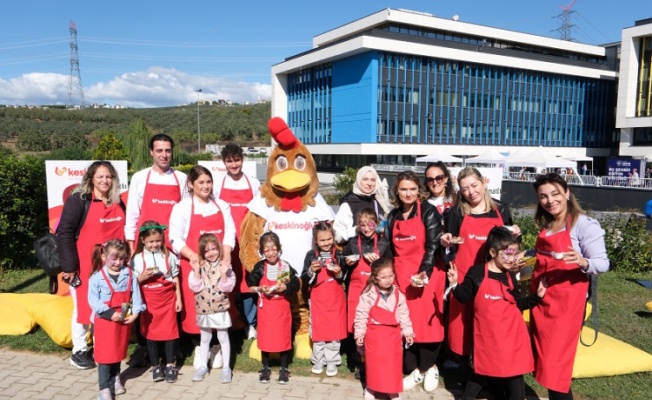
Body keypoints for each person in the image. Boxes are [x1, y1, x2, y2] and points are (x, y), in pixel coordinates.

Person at [530, 173, 609, 400]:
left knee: (556, 370)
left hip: (566, 309)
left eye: (555, 193)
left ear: (567, 192)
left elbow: (603, 263)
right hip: (542, 303)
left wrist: (583, 261)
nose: (550, 200)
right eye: (543, 196)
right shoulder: (548, 225)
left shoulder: (584, 225)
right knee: (548, 367)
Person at [447, 226, 547, 400]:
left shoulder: (509, 276)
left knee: (515, 375)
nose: (512, 259)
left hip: (512, 337)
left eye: (514, 254)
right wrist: (455, 284)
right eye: (507, 254)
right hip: (487, 338)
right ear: (493, 252)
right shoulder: (477, 273)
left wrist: (536, 297)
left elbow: (518, 304)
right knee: (480, 371)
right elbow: (463, 297)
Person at [441, 166, 520, 377]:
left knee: (491, 325)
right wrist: (446, 241)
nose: (471, 192)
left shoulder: (501, 210)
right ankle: (461, 364)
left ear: (483, 182)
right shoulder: (457, 212)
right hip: (466, 275)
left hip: (494, 278)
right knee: (462, 324)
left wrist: (516, 236)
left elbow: (510, 245)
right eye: (465, 189)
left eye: (474, 185)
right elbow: (450, 246)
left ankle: (493, 369)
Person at [57, 161, 126, 370]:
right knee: (83, 308)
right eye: (100, 177)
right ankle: (79, 351)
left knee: (106, 306)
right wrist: (69, 267)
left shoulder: (118, 201)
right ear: (91, 179)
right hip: (84, 266)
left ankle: (101, 348)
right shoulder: (79, 201)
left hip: (112, 267)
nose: (105, 181)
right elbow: (65, 233)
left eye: (109, 177)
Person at [169, 165, 236, 366]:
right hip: (194, 266)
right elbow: (174, 238)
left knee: (219, 303)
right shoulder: (181, 208)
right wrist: (193, 257)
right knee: (196, 307)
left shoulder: (222, 205)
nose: (205, 186)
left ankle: (217, 346)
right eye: (201, 182)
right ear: (191, 184)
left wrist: (226, 255)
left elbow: (229, 232)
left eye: (208, 182)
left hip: (219, 265)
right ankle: (199, 346)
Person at [385, 171, 443, 393]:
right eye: (403, 189)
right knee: (405, 322)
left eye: (412, 189)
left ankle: (430, 367)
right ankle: (414, 369)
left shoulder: (428, 211)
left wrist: (423, 273)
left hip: (425, 275)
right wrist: (387, 275)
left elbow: (433, 245)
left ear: (418, 190)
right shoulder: (393, 216)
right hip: (402, 276)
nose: (408, 193)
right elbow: (390, 249)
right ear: (397, 191)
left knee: (427, 324)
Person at [213, 143, 261, 340]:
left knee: (247, 283)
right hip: (226, 241)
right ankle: (231, 322)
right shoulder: (217, 184)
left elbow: (258, 213)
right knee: (226, 281)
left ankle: (249, 323)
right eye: (230, 161)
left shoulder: (253, 182)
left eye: (237, 160)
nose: (234, 164)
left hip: (247, 242)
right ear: (224, 162)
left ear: (243, 160)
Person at [87, 239, 144, 400]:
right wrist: (110, 313)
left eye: (122, 259)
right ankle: (104, 387)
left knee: (118, 350)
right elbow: (93, 300)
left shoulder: (130, 274)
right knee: (105, 355)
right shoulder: (97, 278)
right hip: (105, 320)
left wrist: (135, 313)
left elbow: (136, 295)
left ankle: (116, 378)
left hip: (123, 320)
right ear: (104, 257)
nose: (118, 262)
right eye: (114, 258)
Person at [354, 257, 415, 400]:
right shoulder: (367, 295)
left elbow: (404, 315)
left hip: (393, 337)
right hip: (375, 337)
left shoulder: (399, 295)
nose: (388, 279)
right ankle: (371, 388)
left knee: (393, 366)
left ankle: (393, 390)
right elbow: (361, 315)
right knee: (374, 365)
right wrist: (360, 333)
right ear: (375, 279)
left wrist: (408, 332)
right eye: (384, 277)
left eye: (391, 275)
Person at [342, 207, 392, 378]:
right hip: (356, 291)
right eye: (362, 224)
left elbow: (390, 266)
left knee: (375, 327)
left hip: (376, 291)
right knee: (358, 327)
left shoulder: (384, 243)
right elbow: (342, 266)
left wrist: (380, 261)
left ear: (376, 224)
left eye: (370, 223)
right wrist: (347, 263)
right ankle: (360, 362)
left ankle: (376, 361)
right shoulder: (352, 243)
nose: (366, 227)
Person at [130, 221, 182, 383]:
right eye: (151, 241)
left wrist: (178, 298)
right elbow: (132, 283)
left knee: (170, 333)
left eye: (158, 240)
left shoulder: (169, 256)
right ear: (143, 240)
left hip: (167, 300)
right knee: (151, 334)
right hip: (148, 302)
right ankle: (155, 365)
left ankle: (170, 364)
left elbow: (175, 278)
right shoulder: (137, 259)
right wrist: (142, 277)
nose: (155, 244)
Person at [246, 232, 300, 385]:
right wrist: (259, 289)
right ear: (262, 252)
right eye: (267, 250)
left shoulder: (285, 266)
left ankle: (284, 369)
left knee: (283, 337)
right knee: (265, 337)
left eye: (273, 248)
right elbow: (250, 286)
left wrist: (285, 286)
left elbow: (296, 284)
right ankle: (265, 367)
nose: (270, 252)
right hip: (266, 310)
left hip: (282, 307)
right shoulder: (259, 267)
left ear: (279, 248)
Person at [125, 134, 187, 252]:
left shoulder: (181, 178)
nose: (164, 155)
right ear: (151, 152)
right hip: (145, 242)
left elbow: (186, 215)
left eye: (167, 151)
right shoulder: (139, 178)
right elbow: (132, 214)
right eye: (159, 151)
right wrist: (131, 245)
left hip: (173, 242)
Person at [301, 222, 346, 377]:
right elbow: (304, 278)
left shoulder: (339, 254)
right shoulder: (310, 255)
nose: (326, 243)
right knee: (318, 330)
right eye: (322, 240)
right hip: (318, 299)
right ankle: (319, 359)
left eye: (329, 239)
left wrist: (339, 272)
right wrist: (311, 270)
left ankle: (332, 360)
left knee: (334, 330)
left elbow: (345, 277)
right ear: (315, 241)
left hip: (335, 298)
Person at [189, 233, 236, 383]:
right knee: (205, 338)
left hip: (220, 308)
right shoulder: (199, 266)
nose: (211, 253)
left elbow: (228, 287)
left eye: (214, 249)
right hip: (203, 309)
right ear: (202, 253)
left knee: (223, 337)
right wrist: (196, 271)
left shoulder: (226, 266)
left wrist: (223, 274)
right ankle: (203, 366)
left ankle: (226, 368)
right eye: (207, 251)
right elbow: (194, 286)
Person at [334, 166, 391, 244]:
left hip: (378, 251)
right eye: (365, 179)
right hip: (355, 252)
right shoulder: (348, 204)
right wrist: (358, 229)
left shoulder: (379, 201)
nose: (369, 183)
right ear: (358, 180)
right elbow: (337, 236)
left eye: (373, 180)